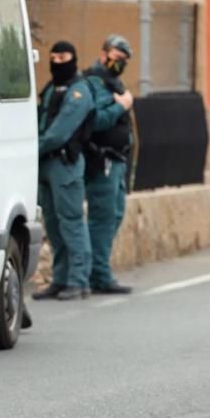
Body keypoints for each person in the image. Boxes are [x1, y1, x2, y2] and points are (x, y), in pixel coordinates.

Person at [32, 41, 94, 302]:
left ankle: (79, 280)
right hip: (45, 163)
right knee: (54, 225)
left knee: (71, 223)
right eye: (53, 56)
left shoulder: (79, 91)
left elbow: (59, 131)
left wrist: (33, 147)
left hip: (64, 164)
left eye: (63, 56)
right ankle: (60, 278)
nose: (58, 61)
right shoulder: (51, 89)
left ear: (74, 58)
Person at [83, 34, 134, 294]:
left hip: (116, 161)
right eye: (116, 56)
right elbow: (96, 120)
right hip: (102, 159)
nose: (119, 62)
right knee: (102, 218)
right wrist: (122, 106)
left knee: (115, 214)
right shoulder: (95, 81)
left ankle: (97, 269)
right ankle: (98, 275)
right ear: (103, 54)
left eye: (124, 59)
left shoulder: (113, 82)